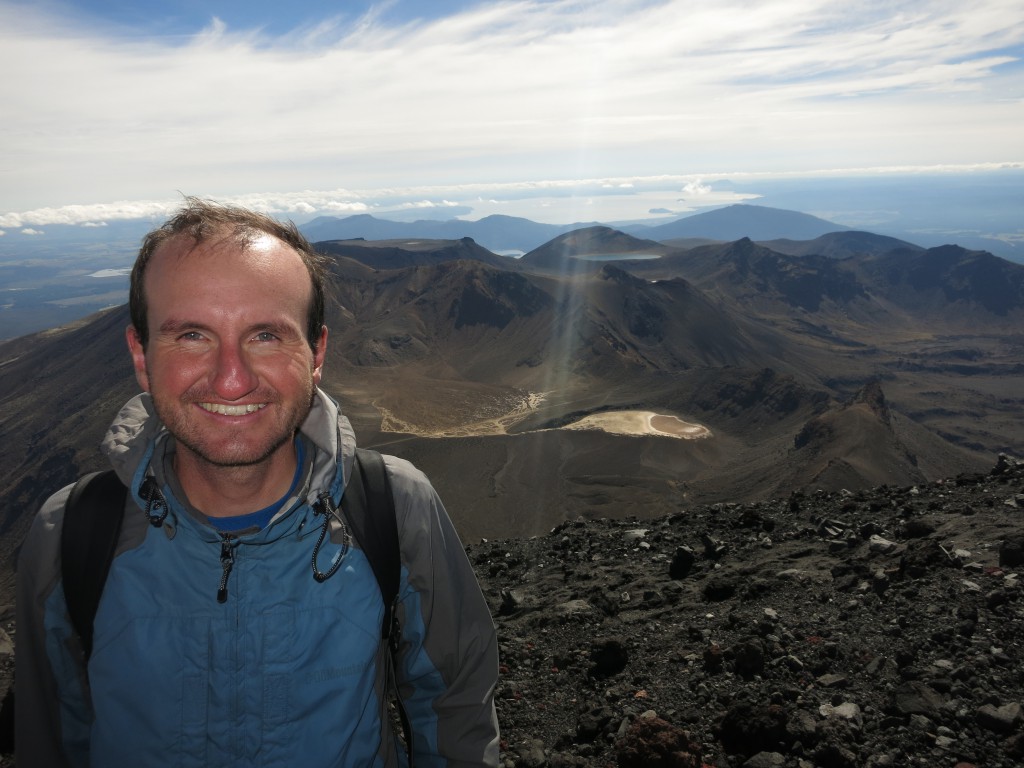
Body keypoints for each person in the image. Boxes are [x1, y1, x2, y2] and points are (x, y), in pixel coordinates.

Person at [15, 198, 500, 766]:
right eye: (192, 335)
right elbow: (50, 736)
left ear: (315, 353)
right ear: (142, 355)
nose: (232, 379)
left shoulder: (394, 507)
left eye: (266, 335)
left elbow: (455, 708)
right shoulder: (70, 533)